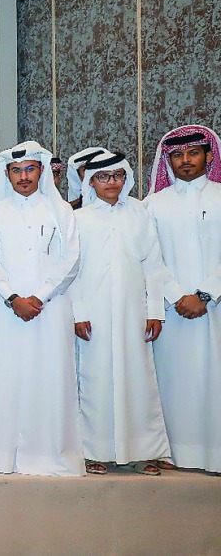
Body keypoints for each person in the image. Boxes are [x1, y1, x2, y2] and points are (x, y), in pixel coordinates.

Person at [0, 141, 83, 476]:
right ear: (7, 174)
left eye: (30, 169)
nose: (23, 177)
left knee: (50, 379)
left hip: (49, 309)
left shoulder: (60, 211)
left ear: (41, 171)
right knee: (7, 379)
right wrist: (13, 298)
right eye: (16, 171)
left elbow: (71, 260)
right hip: (5, 310)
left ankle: (49, 453)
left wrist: (40, 296)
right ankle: (4, 456)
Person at [71, 151, 172, 475]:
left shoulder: (139, 213)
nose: (111, 182)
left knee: (138, 380)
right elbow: (72, 272)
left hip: (133, 313)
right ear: (91, 182)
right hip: (94, 316)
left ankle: (143, 452)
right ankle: (93, 452)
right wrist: (78, 313)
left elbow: (153, 265)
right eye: (103, 177)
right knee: (94, 380)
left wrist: (155, 311)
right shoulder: (79, 219)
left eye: (117, 176)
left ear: (125, 178)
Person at [144, 125, 221, 475]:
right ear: (168, 161)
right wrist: (177, 295)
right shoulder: (153, 205)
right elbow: (149, 258)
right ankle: (173, 452)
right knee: (173, 381)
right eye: (177, 155)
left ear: (208, 155)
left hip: (215, 307)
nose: (185, 160)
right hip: (171, 311)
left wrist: (205, 294)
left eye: (192, 153)